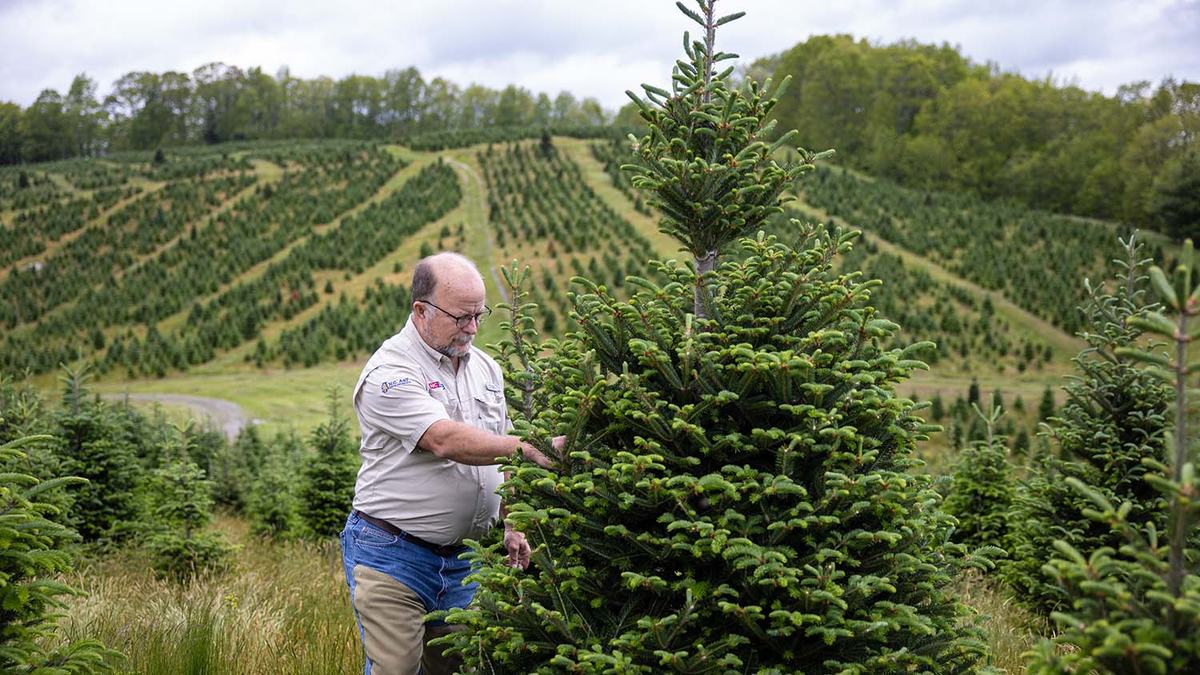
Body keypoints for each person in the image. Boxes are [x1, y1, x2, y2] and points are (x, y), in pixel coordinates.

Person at [341, 252, 557, 675]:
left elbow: (499, 446)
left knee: (458, 668)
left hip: (464, 559)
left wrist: (513, 523)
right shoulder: (391, 371)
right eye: (461, 317)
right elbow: (442, 439)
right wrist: (532, 447)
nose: (473, 328)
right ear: (421, 310)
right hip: (392, 554)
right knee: (397, 668)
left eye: (479, 315)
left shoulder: (486, 370)